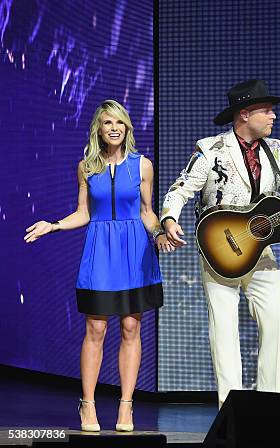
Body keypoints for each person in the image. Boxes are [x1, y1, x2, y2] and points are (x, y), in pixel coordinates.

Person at [161, 79, 280, 408]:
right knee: (224, 329)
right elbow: (180, 189)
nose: (273, 117)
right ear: (244, 114)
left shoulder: (276, 149)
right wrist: (169, 218)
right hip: (219, 248)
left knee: (276, 318)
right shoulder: (211, 149)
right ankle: (232, 409)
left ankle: (269, 406)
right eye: (267, 111)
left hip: (260, 250)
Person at [24, 100, 171, 432]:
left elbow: (147, 212)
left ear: (127, 127)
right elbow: (84, 212)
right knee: (96, 329)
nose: (114, 128)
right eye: (107, 123)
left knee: (131, 329)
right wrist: (55, 225)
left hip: (135, 254)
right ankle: (87, 404)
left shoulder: (142, 165)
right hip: (100, 253)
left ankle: (126, 406)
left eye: (120, 122)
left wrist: (160, 232)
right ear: (99, 129)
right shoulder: (86, 167)